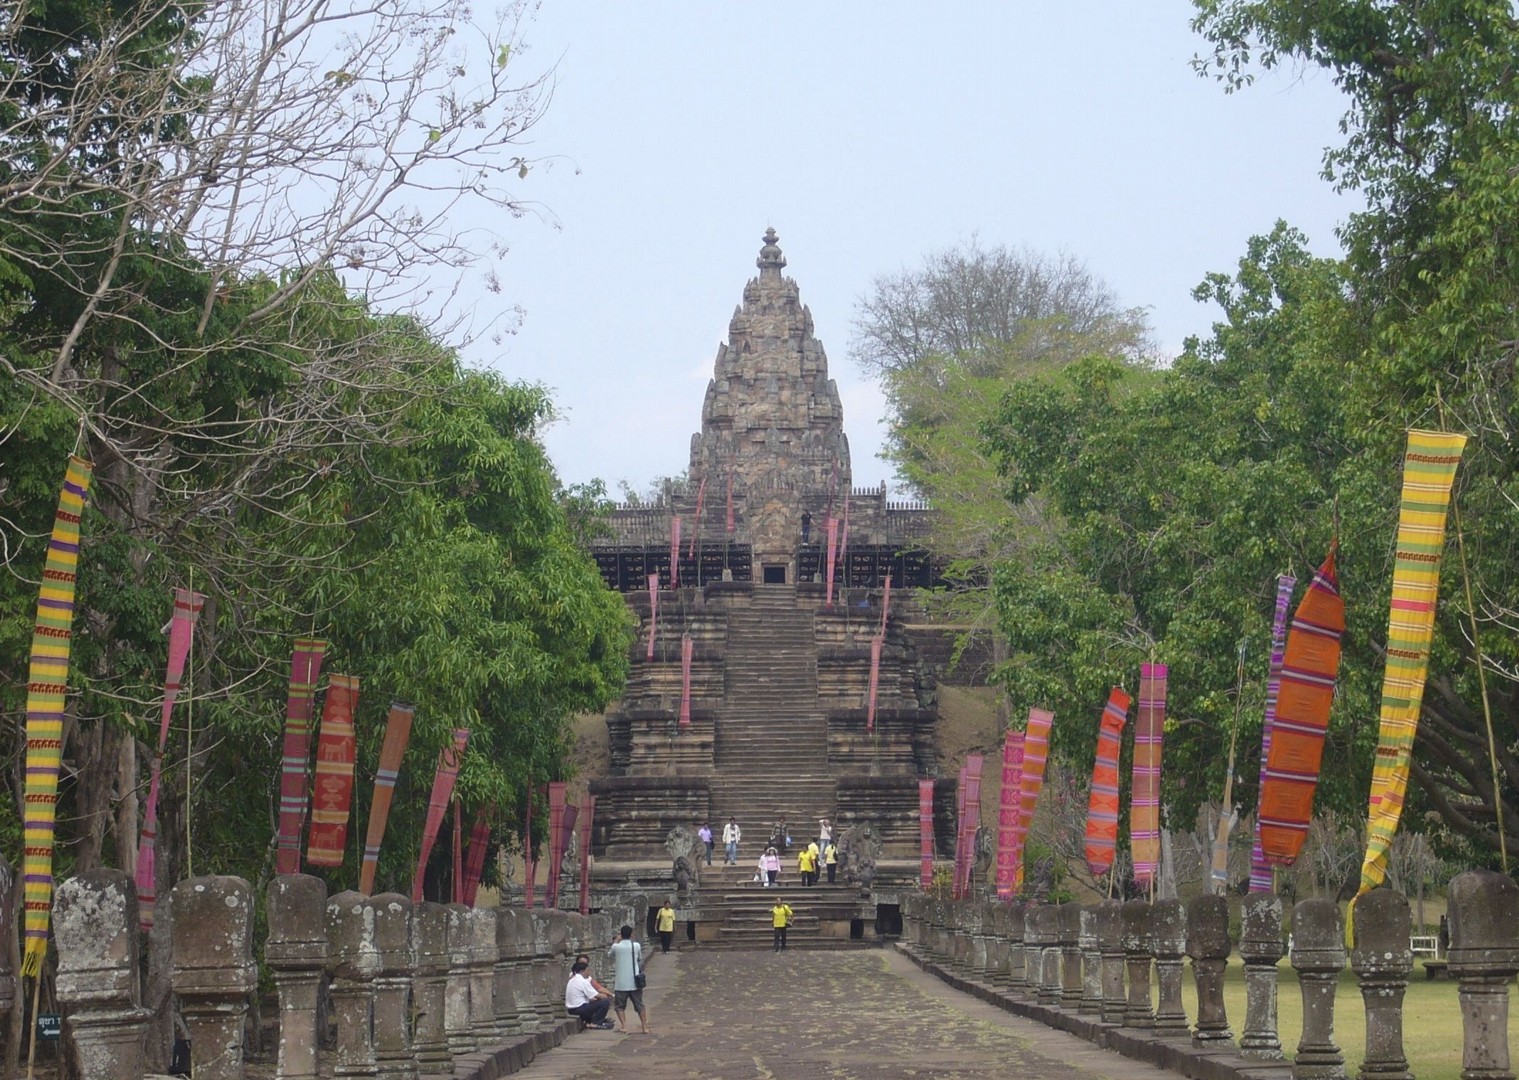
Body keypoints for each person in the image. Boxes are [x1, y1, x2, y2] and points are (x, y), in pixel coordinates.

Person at [607, 925, 650, 1034]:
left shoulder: (616, 947)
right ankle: (644, 1026)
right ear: (631, 934)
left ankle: (624, 1025)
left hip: (621, 982)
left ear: (621, 935)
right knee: (639, 1004)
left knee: (619, 1006)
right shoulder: (636, 946)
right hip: (634, 981)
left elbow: (609, 955)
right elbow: (639, 958)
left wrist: (616, 941)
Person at [565, 960, 613, 1028]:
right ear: (582, 971)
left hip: (572, 1009)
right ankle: (596, 1023)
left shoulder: (572, 980)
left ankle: (594, 1020)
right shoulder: (582, 981)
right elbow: (597, 995)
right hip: (579, 1009)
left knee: (596, 1002)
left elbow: (590, 996)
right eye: (587, 970)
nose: (589, 973)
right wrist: (605, 996)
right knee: (605, 1002)